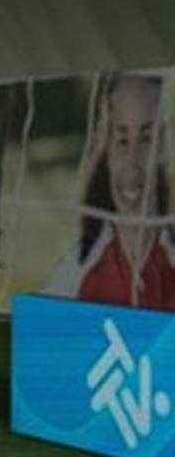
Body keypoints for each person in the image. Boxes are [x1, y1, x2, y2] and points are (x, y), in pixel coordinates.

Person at [46, 72, 175, 308]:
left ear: (162, 144)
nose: (132, 165)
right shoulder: (73, 278)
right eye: (122, 141)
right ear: (107, 150)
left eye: (146, 140)